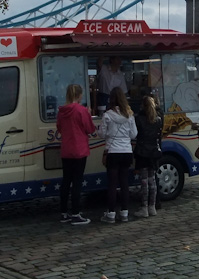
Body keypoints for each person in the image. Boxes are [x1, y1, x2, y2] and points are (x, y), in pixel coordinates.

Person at [56, 84, 96, 225]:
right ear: (79, 95)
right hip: (79, 149)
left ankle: (63, 212)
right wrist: (89, 114)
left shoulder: (62, 111)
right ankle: (75, 213)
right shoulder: (81, 110)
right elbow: (90, 128)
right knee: (77, 182)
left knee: (66, 181)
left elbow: (59, 128)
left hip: (66, 149)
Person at [98, 86, 138, 223]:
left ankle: (110, 214)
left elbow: (102, 134)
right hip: (126, 151)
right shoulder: (129, 115)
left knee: (112, 184)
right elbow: (134, 134)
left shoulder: (107, 115)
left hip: (112, 151)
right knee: (125, 183)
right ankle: (125, 212)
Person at [132, 95, 162, 218]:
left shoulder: (138, 119)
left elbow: (135, 135)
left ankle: (144, 207)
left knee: (144, 181)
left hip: (142, 152)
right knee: (152, 180)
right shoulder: (158, 120)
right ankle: (152, 206)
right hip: (154, 152)